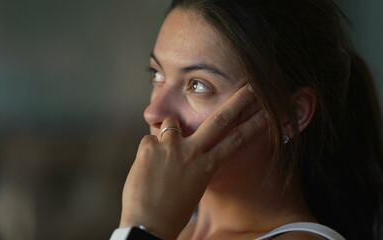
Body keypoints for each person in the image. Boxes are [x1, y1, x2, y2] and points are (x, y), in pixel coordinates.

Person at [111, 0, 383, 239]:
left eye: (198, 85)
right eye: (158, 74)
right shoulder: (176, 228)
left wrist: (143, 229)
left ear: (290, 114)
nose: (154, 112)